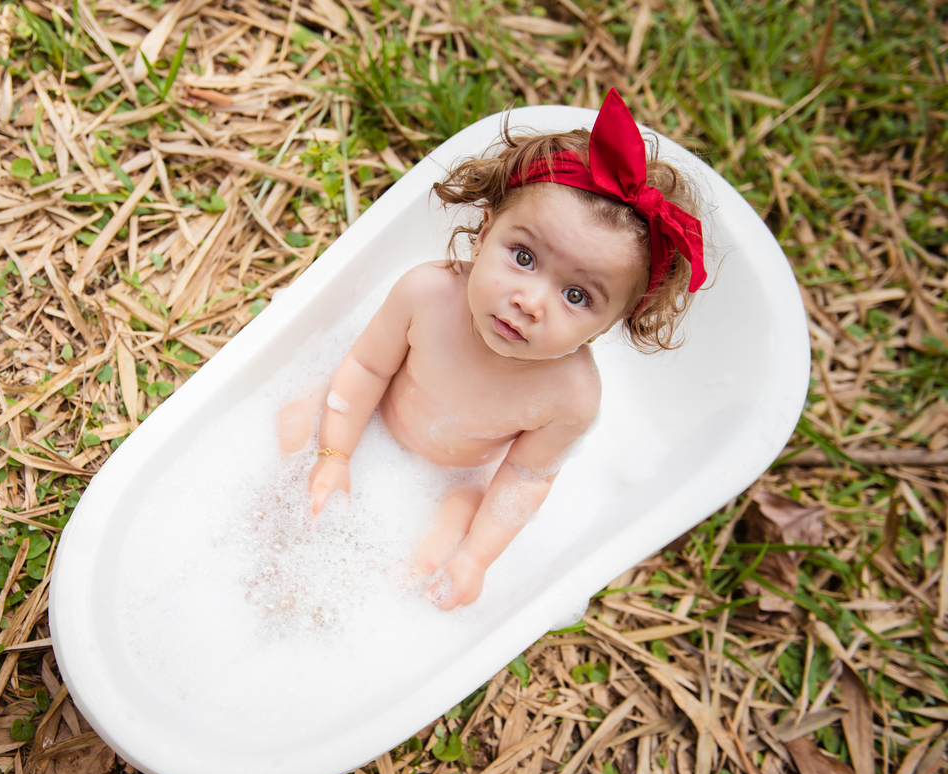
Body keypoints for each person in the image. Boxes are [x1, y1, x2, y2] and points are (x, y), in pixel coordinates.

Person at [277, 89, 707, 611]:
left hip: (450, 477)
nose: (529, 301)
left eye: (577, 296)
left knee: (452, 528)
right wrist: (335, 453)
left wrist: (476, 558)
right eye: (523, 256)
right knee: (295, 425)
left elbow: (525, 477)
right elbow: (366, 368)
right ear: (484, 234)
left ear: (609, 325)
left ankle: (384, 601)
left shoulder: (570, 396)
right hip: (366, 416)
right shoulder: (427, 295)